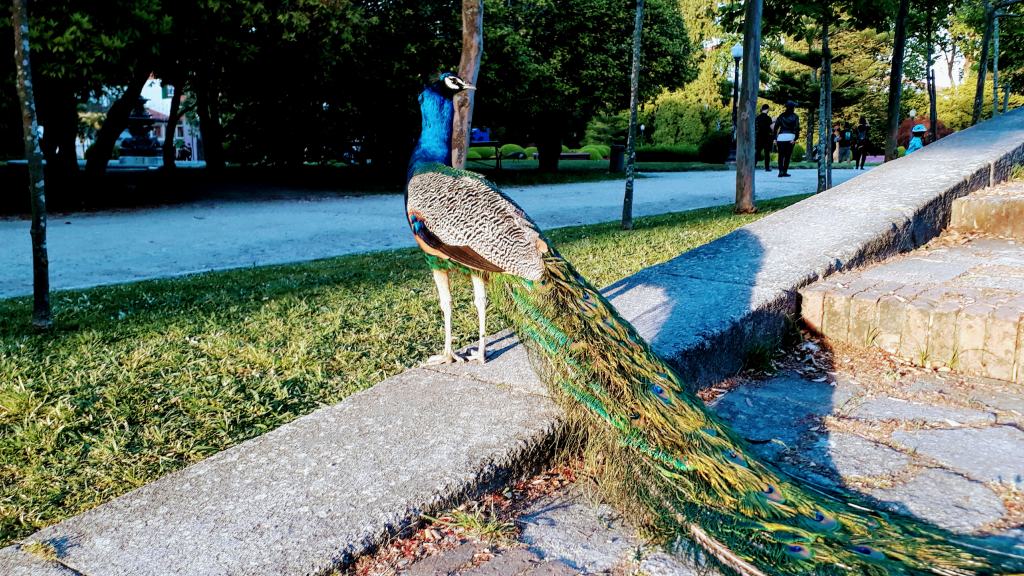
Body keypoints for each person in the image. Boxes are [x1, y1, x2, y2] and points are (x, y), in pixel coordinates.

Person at [773, 100, 800, 177]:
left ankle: (780, 172)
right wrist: (795, 139)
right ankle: (784, 171)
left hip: (781, 137)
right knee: (787, 156)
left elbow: (776, 127)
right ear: (793, 108)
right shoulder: (795, 116)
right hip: (790, 137)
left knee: (780, 155)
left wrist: (775, 138)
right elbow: (797, 128)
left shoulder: (781, 116)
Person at [755, 104, 774, 172]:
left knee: (757, 152)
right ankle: (767, 167)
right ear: (767, 109)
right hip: (766, 137)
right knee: (767, 153)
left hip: (759, 137)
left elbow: (755, 127)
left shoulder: (757, 118)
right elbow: (772, 128)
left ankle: (753, 165)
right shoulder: (768, 118)